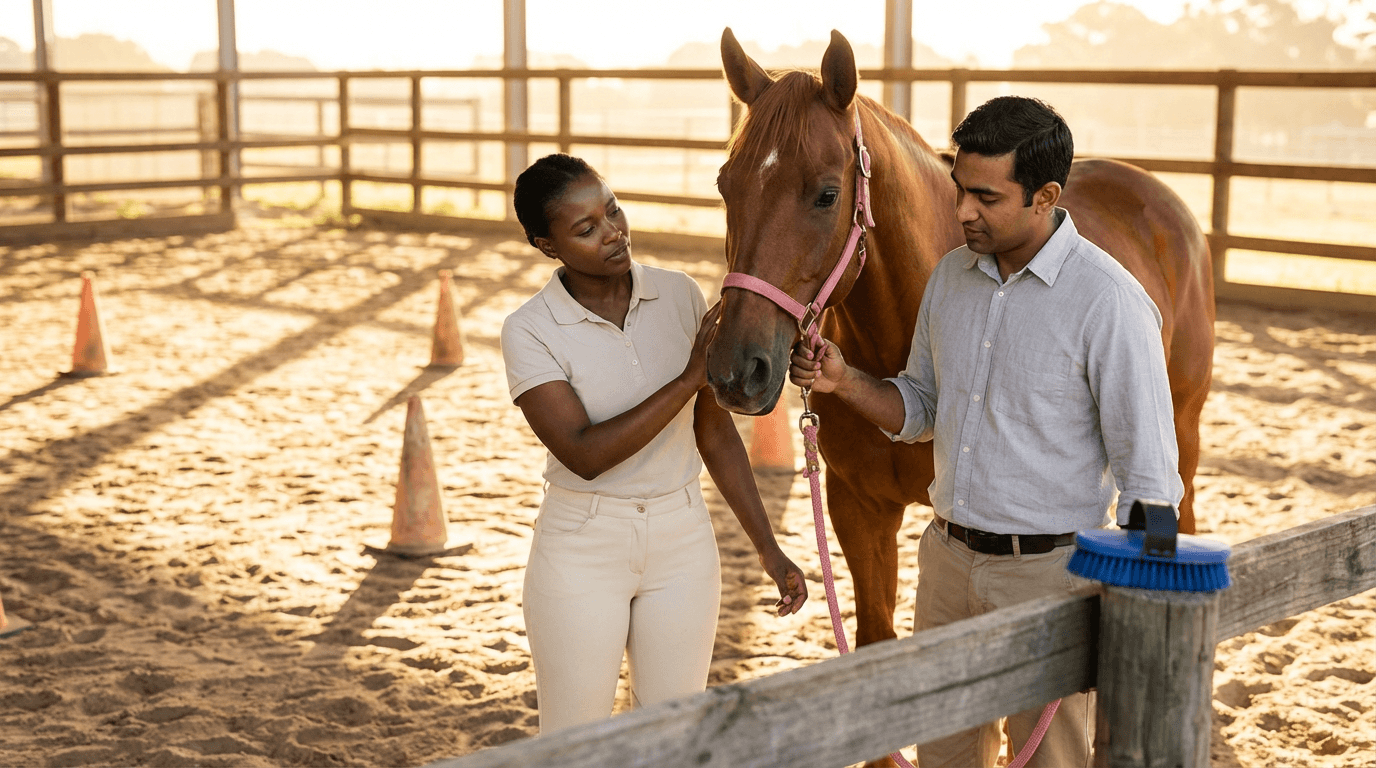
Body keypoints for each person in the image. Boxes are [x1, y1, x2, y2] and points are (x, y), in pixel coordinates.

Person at [789, 97, 1183, 767]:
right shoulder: (951, 276)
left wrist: (1137, 618)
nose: (962, 211)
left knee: (1046, 761)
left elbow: (1151, 477)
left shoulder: (1108, 302)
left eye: (985, 197)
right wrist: (845, 381)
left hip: (1049, 574)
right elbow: (920, 407)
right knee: (943, 755)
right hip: (946, 564)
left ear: (1045, 197)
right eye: (958, 189)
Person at [501, 153, 808, 735]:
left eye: (613, 210)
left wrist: (768, 549)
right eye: (586, 229)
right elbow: (585, 454)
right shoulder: (529, 328)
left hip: (683, 539)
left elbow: (713, 432)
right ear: (547, 245)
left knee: (673, 735)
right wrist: (691, 377)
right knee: (574, 740)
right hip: (581, 548)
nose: (613, 233)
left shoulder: (680, 295)